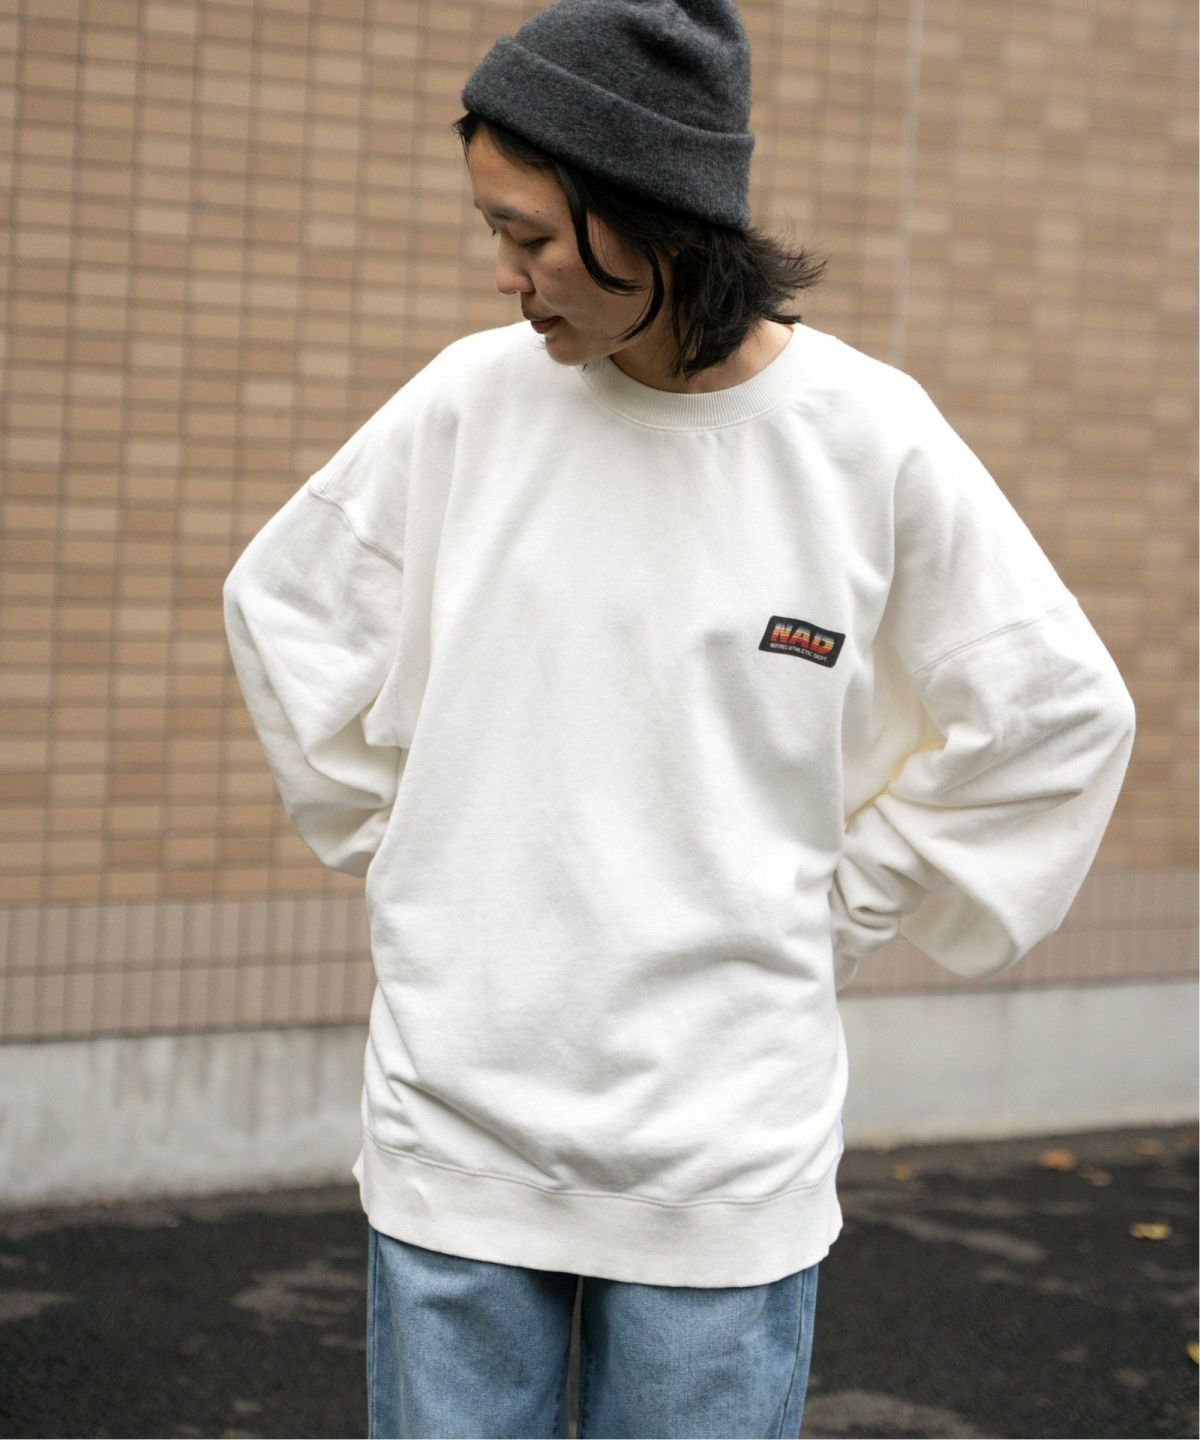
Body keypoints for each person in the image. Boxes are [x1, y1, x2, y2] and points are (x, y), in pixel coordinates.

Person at [221, 1, 1138, 1435]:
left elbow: (1057, 714)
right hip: (460, 1127)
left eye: (530, 235)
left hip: (725, 1159)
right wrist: (415, 844)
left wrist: (844, 903)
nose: (506, 276)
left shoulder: (867, 438)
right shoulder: (468, 407)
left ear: (650, 212)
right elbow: (289, 607)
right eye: (494, 231)